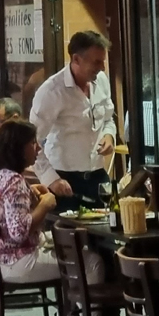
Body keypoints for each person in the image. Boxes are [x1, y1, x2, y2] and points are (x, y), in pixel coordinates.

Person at [0, 119, 88, 285]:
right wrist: (45, 204)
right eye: (33, 143)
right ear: (18, 148)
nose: (38, 148)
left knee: (67, 242)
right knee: (90, 262)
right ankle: (85, 311)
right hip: (13, 262)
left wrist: (28, 192)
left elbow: (8, 211)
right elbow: (19, 233)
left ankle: (72, 309)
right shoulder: (14, 181)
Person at [28, 31, 118, 210]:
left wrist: (109, 135)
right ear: (76, 59)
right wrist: (51, 180)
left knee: (109, 234)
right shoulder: (51, 92)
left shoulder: (101, 81)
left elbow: (108, 119)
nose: (103, 68)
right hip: (64, 181)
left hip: (98, 178)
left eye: (103, 61)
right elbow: (30, 141)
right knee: (67, 237)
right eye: (97, 62)